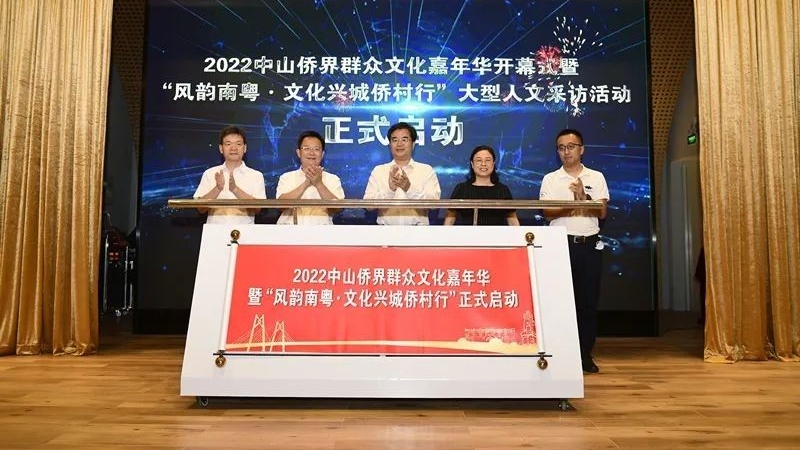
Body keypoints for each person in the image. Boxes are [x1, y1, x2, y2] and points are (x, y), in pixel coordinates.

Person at [539, 128, 609, 374]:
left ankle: (584, 355)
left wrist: (585, 198)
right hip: (559, 245)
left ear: (582, 149)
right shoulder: (550, 179)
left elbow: (601, 212)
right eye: (561, 148)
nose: (566, 152)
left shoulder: (596, 177)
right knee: (559, 303)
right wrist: (575, 204)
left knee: (587, 303)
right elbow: (548, 213)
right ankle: (560, 355)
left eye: (571, 147)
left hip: (589, 246)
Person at [363, 122, 441, 225]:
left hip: (418, 232)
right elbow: (368, 205)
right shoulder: (379, 171)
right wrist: (390, 190)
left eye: (404, 139)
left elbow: (434, 204)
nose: (399, 144)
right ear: (390, 145)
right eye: (395, 140)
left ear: (413, 144)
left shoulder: (426, 170)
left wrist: (409, 189)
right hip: (385, 232)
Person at [194, 125, 266, 224]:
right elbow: (200, 208)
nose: (233, 148)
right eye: (228, 144)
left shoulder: (256, 176)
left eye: (238, 144)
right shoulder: (210, 173)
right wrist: (217, 188)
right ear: (221, 148)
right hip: (215, 230)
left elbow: (258, 208)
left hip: (245, 231)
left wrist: (235, 190)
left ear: (245, 148)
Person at [275, 130, 344, 224]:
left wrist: (319, 183)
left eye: (316, 149)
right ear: (298, 152)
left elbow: (338, 208)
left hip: (321, 231)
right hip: (289, 230)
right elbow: (280, 205)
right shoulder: (287, 177)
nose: (311, 153)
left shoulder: (333, 179)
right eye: (306, 148)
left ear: (322, 154)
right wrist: (306, 183)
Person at [443, 145, 520, 226]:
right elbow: (450, 219)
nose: (483, 164)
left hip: (497, 234)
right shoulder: (461, 188)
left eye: (488, 160)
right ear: (472, 164)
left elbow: (513, 221)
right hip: (468, 234)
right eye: (479, 160)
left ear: (493, 163)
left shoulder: (503, 190)